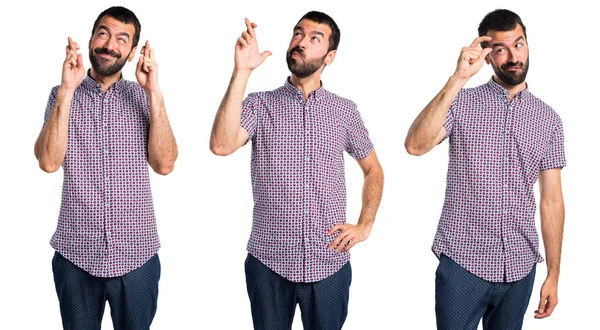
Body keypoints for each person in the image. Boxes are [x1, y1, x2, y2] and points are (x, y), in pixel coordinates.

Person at [210, 11, 384, 330]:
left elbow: (373, 170)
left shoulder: (345, 111)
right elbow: (221, 145)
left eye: (314, 38)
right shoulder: (258, 105)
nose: (301, 42)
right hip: (268, 262)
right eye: (298, 34)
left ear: (330, 56)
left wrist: (365, 224)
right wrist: (241, 72)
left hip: (329, 262)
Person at [404, 9, 565, 329]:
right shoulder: (460, 102)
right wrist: (458, 78)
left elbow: (552, 201)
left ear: (528, 46)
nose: (512, 56)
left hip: (520, 266)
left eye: (518, 45)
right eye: (500, 49)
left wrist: (554, 275)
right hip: (463, 263)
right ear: (488, 56)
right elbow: (415, 146)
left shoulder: (548, 120)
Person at [34, 6, 178, 330]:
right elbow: (48, 161)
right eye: (103, 33)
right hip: (75, 255)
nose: (109, 44)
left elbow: (165, 164)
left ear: (131, 53)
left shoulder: (143, 98)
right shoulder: (60, 95)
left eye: (121, 40)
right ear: (90, 39)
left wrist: (154, 92)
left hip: (136, 257)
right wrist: (67, 91)